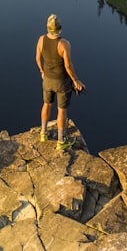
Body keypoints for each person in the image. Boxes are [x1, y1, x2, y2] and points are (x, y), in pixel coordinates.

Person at [35, 13, 85, 150]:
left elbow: (38, 59)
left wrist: (42, 72)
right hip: (62, 82)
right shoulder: (64, 44)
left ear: (48, 27)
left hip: (47, 80)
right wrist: (76, 80)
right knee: (61, 110)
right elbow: (68, 66)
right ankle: (61, 141)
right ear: (60, 28)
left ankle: (43, 133)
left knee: (46, 104)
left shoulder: (41, 40)